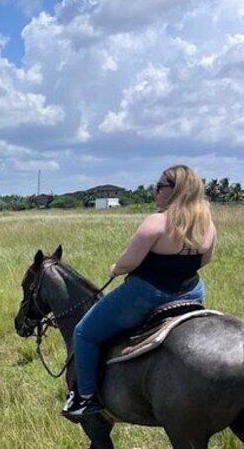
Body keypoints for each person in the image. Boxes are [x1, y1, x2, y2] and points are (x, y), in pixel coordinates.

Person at [63, 165, 217, 420]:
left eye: (160, 187)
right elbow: (205, 261)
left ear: (176, 190)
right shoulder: (207, 225)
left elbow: (128, 264)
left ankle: (85, 397)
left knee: (84, 333)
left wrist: (115, 267)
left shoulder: (157, 222)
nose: (155, 192)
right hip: (191, 293)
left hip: (148, 295)